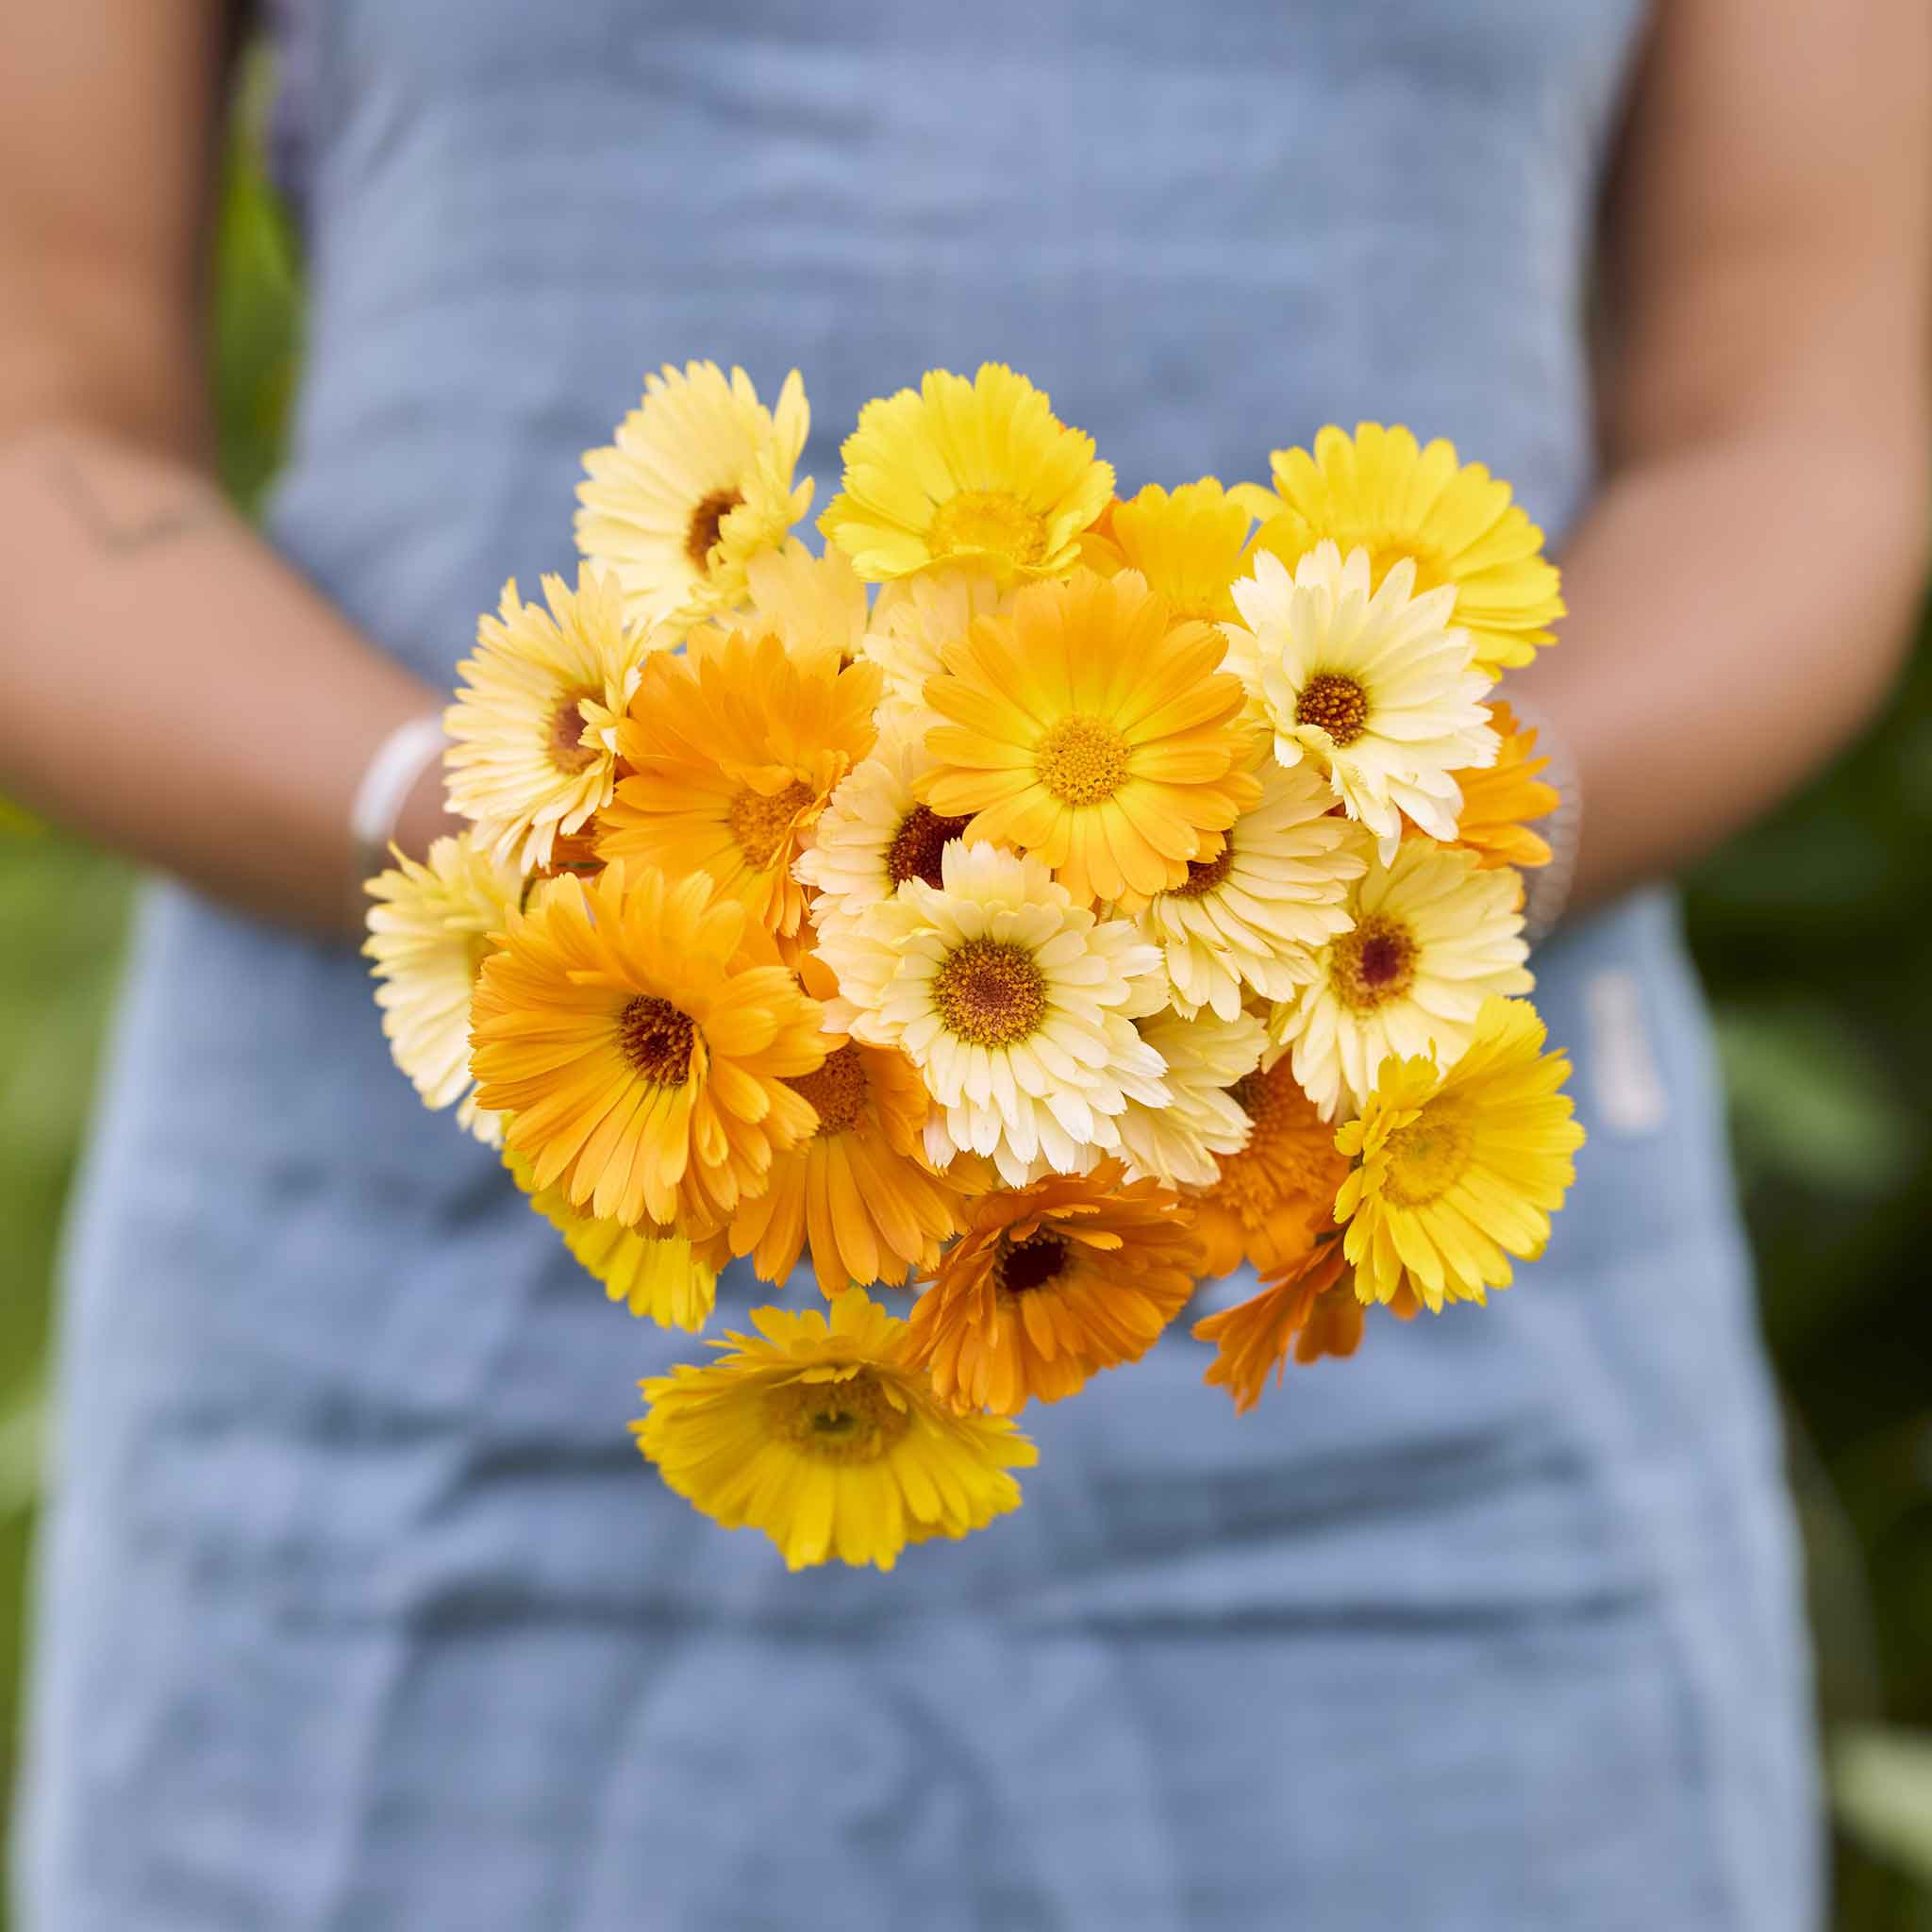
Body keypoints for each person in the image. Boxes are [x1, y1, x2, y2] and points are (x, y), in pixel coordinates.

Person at [1, 0, 1925, 1924]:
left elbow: (1802, 438)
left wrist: (1432, 853)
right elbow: (36, 419)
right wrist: (493, 837)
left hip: (1399, 1350)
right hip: (421, 1343)